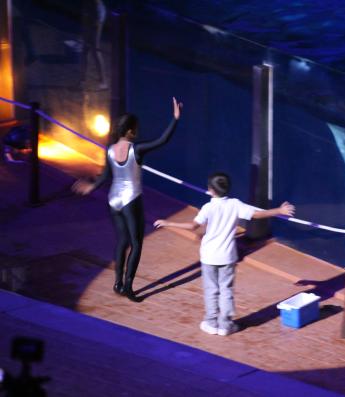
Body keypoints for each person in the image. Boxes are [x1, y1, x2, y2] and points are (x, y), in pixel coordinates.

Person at [153, 172, 295, 336]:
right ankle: (225, 325)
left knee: (211, 289)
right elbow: (256, 214)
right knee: (226, 290)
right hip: (227, 257)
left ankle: (211, 322)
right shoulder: (235, 204)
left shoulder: (208, 207)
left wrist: (168, 222)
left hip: (209, 257)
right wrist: (280, 210)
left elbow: (192, 226)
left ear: (210, 190)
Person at [73, 97, 182, 301]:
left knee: (122, 241)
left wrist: (91, 187)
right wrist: (175, 119)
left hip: (113, 199)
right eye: (136, 128)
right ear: (130, 131)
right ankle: (128, 287)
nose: (138, 131)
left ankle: (117, 282)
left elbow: (105, 175)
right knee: (136, 244)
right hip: (131, 199)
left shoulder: (110, 150)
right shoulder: (136, 149)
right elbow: (162, 141)